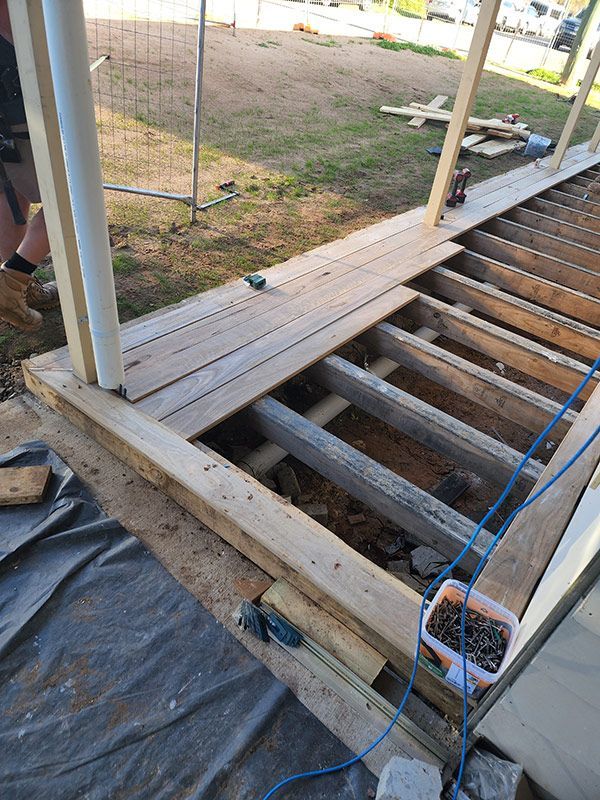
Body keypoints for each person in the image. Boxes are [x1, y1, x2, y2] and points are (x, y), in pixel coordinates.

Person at [0, 1, 59, 333]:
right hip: (14, 88)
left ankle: (19, 287)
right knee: (72, 198)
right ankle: (13, 282)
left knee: (9, 193)